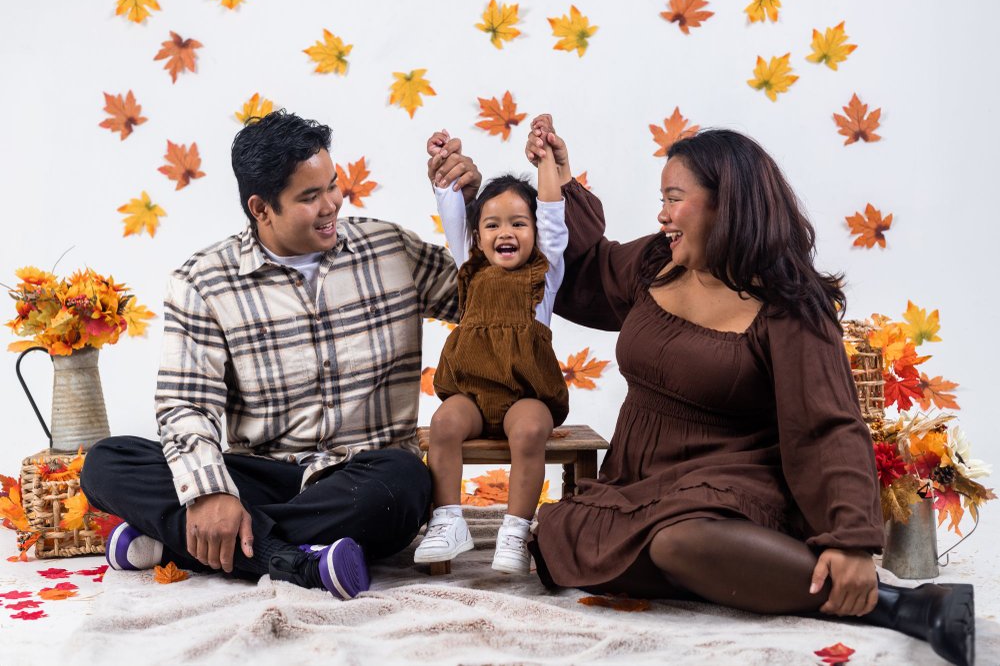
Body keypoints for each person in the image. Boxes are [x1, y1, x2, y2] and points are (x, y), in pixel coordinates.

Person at [522, 115, 974, 666]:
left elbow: (827, 425)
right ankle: (751, 575)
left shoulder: (789, 306)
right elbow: (578, 273)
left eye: (674, 198)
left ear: (725, 205)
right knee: (560, 543)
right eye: (662, 200)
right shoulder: (656, 264)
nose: (662, 214)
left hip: (733, 486)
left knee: (679, 541)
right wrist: (558, 183)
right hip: (637, 481)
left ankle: (901, 606)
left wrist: (850, 539)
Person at [80, 110, 481, 599]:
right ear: (261, 208)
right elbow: (186, 404)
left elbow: (486, 304)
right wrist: (212, 492)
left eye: (332, 185)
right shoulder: (203, 282)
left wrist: (470, 211)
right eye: (310, 197)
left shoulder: (391, 248)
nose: (331, 204)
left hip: (363, 477)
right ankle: (294, 562)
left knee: (406, 482)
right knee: (107, 461)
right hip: (263, 472)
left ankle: (179, 543)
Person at [412, 130, 569, 574]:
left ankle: (515, 529)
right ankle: (448, 520)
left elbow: (553, 214)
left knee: (530, 430)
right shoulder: (470, 266)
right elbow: (452, 212)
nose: (505, 232)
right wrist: (445, 166)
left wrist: (546, 161)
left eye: (519, 223)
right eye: (493, 224)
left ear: (535, 232)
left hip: (526, 396)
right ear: (477, 236)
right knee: (444, 423)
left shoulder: (545, 271)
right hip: (474, 397)